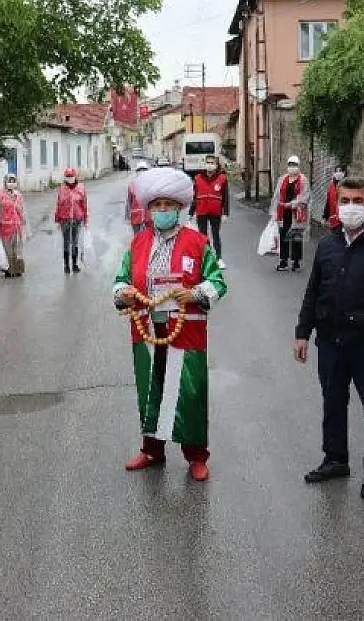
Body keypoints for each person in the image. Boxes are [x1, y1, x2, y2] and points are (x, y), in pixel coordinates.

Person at [295, 177, 364, 499]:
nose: (350, 207)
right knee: (332, 403)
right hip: (331, 342)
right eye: (344, 200)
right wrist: (303, 333)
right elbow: (313, 291)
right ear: (336, 204)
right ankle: (335, 459)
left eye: (358, 201)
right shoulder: (327, 245)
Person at [113, 167, 228, 482]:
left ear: (179, 207)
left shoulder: (197, 241)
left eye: (168, 205)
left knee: (189, 394)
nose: (162, 211)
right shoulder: (137, 244)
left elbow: (218, 283)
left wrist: (193, 293)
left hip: (185, 332)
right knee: (151, 392)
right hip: (148, 332)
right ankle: (152, 449)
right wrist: (122, 292)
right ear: (148, 209)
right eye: (156, 205)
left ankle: (196, 456)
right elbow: (121, 279)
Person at [189, 154, 229, 269]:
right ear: (204, 164)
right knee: (203, 236)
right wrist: (190, 213)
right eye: (208, 162)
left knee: (216, 235)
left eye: (212, 163)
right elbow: (194, 196)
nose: (210, 165)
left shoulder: (222, 178)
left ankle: (219, 258)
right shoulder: (198, 178)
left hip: (216, 212)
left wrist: (225, 213)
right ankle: (206, 258)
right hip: (201, 211)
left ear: (216, 165)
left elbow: (225, 197)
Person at [272, 155, 310, 272]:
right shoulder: (282, 179)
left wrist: (294, 203)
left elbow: (305, 196)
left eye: (294, 165)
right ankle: (283, 261)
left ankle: (296, 261)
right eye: (290, 165)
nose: (292, 167)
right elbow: (276, 196)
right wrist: (274, 211)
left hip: (296, 213)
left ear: (298, 166)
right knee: (283, 236)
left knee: (296, 236)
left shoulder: (303, 180)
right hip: (283, 212)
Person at [54, 168, 89, 274]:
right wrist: (57, 218)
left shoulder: (81, 188)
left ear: (75, 176)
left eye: (71, 176)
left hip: (77, 218)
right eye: (68, 176)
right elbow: (58, 204)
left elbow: (85, 204)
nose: (70, 178)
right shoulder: (62, 188)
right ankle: (66, 265)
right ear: (65, 177)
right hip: (65, 219)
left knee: (75, 242)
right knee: (66, 242)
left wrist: (86, 218)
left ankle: (74, 264)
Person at [0, 174, 27, 277]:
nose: (11, 183)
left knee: (17, 249)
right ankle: (9, 270)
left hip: (17, 226)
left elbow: (23, 210)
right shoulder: (0, 194)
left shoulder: (18, 195)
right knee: (7, 249)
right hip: (5, 227)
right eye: (9, 181)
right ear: (5, 182)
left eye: (13, 181)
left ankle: (18, 269)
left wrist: (24, 224)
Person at [127, 161, 151, 234]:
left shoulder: (151, 184)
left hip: (147, 215)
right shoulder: (132, 185)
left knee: (149, 236)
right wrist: (128, 215)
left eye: (143, 170)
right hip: (137, 215)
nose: (142, 172)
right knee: (137, 236)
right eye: (140, 170)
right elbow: (129, 201)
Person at [322, 164, 346, 231]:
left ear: (344, 173)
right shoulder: (331, 186)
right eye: (336, 171)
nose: (338, 173)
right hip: (333, 218)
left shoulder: (347, 186)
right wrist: (325, 217)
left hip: (344, 219)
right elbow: (328, 202)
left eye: (340, 171)